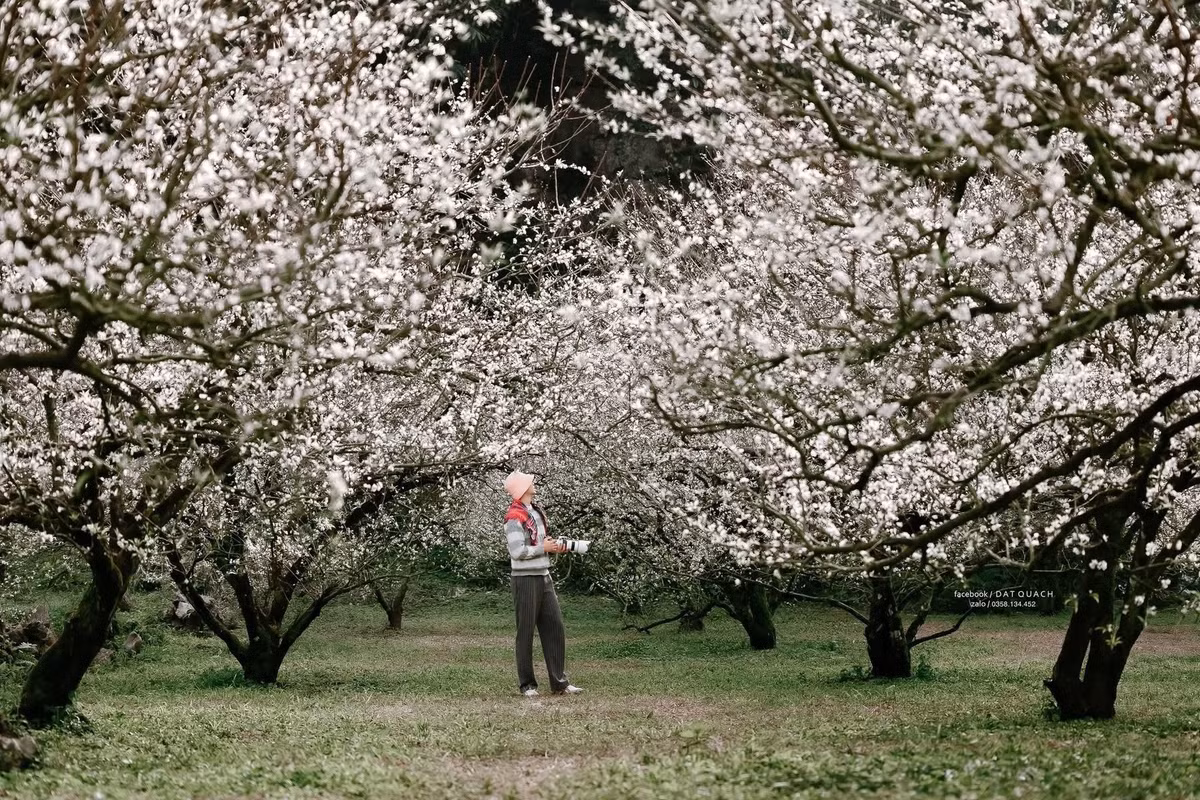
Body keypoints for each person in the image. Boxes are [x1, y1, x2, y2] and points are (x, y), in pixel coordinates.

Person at [503, 470, 582, 697]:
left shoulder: (535, 512)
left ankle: (560, 682)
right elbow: (517, 551)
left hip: (543, 575)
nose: (533, 484)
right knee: (525, 631)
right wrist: (543, 549)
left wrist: (554, 546)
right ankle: (527, 685)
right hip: (525, 579)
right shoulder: (514, 518)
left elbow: (539, 541)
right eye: (530, 482)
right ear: (522, 488)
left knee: (554, 627)